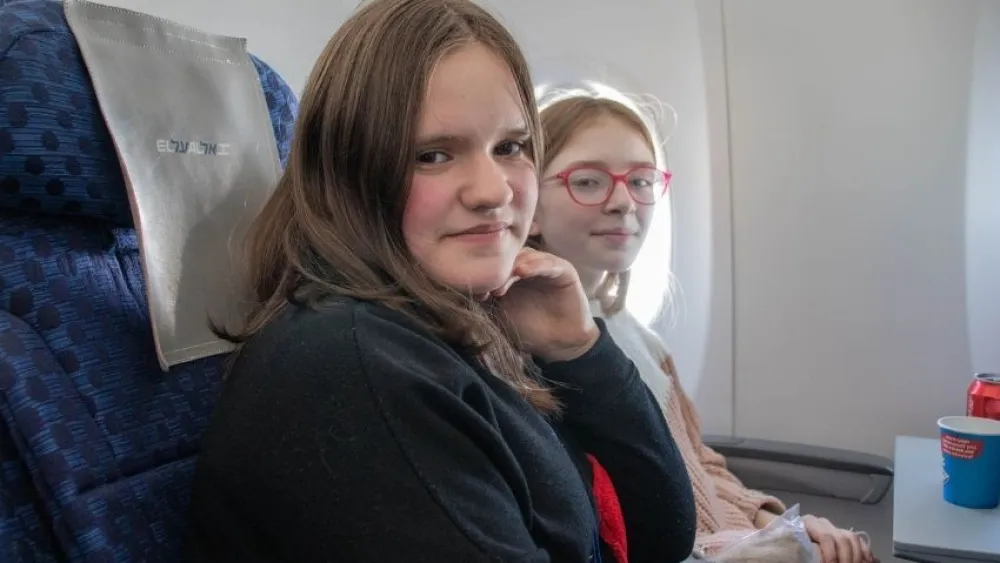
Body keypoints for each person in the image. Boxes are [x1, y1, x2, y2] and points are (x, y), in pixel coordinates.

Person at [182, 1, 697, 562]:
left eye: (511, 147)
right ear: (353, 173)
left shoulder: (462, 324)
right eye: (433, 155)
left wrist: (578, 351)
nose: (493, 190)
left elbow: (659, 538)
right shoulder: (351, 368)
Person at [529, 89, 877, 563]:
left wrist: (778, 526)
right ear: (528, 202)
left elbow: (699, 465)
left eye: (642, 180)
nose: (623, 202)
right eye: (588, 182)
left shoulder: (638, 338)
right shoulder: (541, 353)